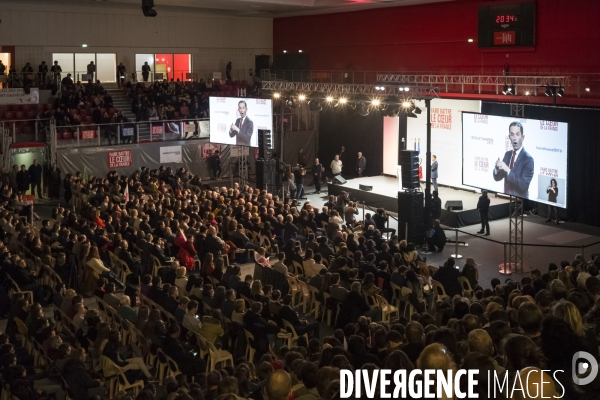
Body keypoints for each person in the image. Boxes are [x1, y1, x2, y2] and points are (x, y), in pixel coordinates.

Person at [493, 121, 534, 198]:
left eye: (517, 134)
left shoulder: (528, 159)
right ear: (509, 137)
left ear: (523, 137)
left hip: (519, 203)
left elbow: (523, 185)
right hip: (505, 199)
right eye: (512, 135)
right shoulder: (507, 154)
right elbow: (498, 178)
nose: (514, 138)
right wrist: (496, 169)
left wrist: (508, 170)